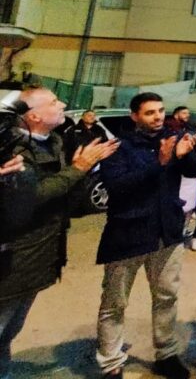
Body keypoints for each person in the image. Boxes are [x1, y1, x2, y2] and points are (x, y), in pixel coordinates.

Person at [0, 89, 117, 379]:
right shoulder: (14, 148)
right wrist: (79, 169)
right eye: (53, 101)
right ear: (34, 116)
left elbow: (63, 198)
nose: (63, 103)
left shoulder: (53, 141)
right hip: (15, 258)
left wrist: (81, 173)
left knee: (7, 334)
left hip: (38, 255)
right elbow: (32, 197)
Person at [95, 92, 196, 379]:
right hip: (128, 235)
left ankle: (166, 353)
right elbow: (118, 187)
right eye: (150, 112)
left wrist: (187, 153)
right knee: (114, 303)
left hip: (167, 233)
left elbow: (195, 170)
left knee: (166, 296)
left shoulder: (171, 139)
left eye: (160, 111)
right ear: (135, 116)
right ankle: (111, 362)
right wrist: (161, 162)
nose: (157, 117)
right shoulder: (119, 147)